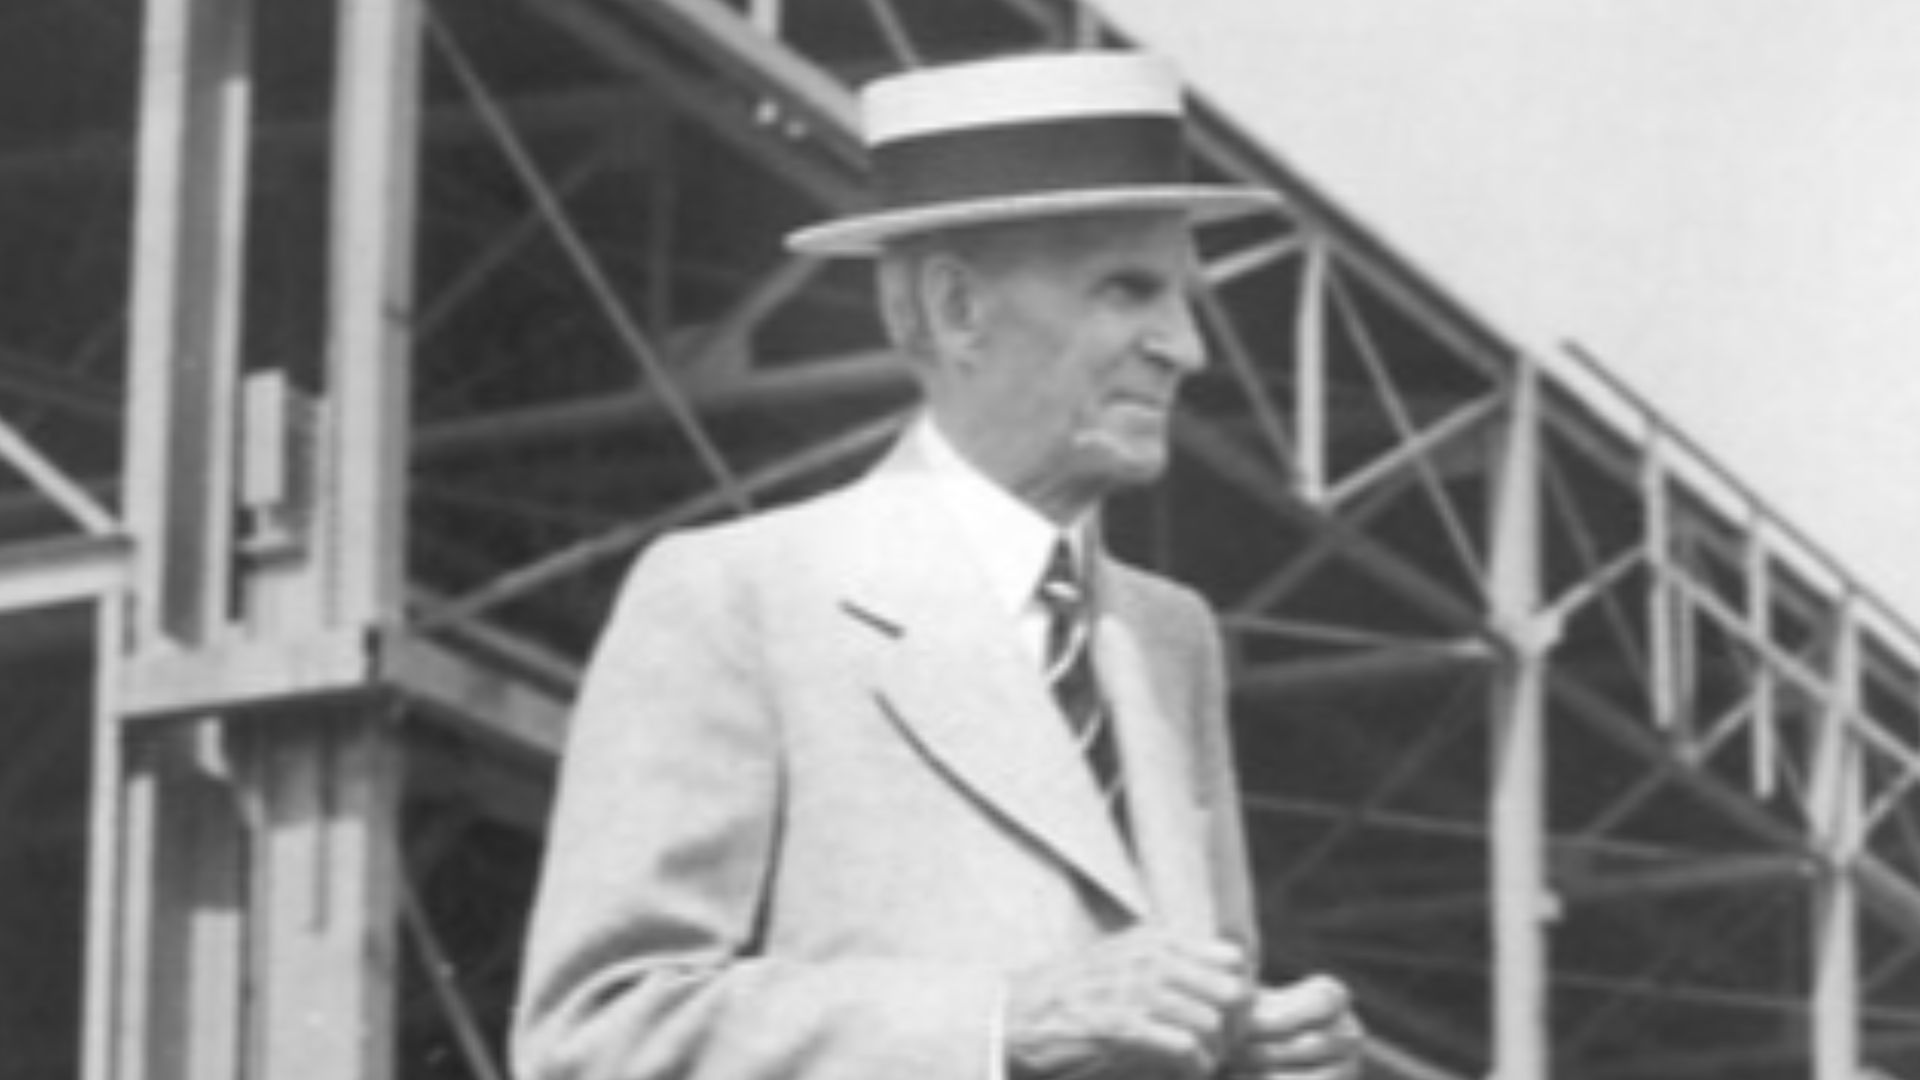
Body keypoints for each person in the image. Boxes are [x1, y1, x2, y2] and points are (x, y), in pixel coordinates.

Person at [511, 51, 1366, 1080]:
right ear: (959, 309)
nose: (1186, 345)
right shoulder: (737, 596)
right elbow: (594, 1035)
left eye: (1183, 298)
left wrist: (1267, 1055)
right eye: (1129, 290)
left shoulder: (1169, 636)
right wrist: (1000, 1024)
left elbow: (1175, 1012)